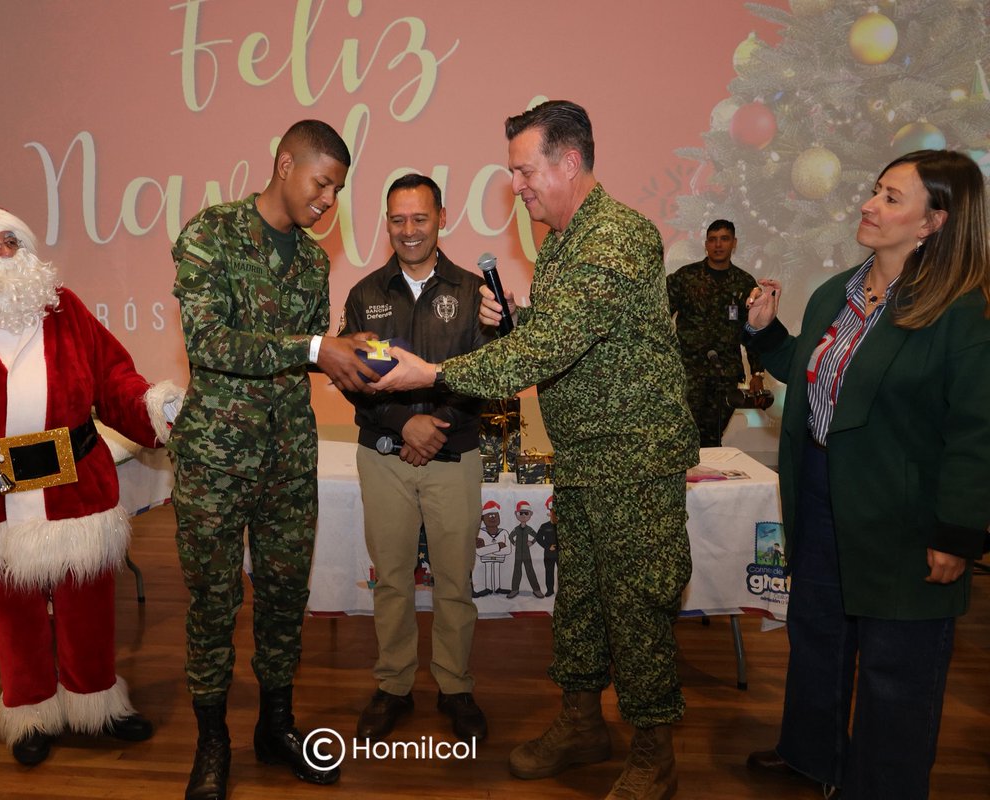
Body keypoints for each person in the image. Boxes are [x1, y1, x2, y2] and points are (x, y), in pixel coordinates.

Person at [374, 99, 697, 800]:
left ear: (569, 162)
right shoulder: (560, 245)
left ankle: (654, 755)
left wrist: (433, 373)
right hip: (583, 457)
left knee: (636, 608)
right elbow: (566, 339)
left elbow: (548, 351)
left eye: (524, 171)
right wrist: (517, 321)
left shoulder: (615, 238)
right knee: (578, 602)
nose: (515, 185)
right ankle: (582, 726)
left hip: (633, 460)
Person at [0, 200, 182, 766]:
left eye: (12, 241)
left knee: (87, 603)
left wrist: (151, 406)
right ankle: (29, 711)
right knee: (14, 612)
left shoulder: (62, 305)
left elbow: (112, 377)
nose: (5, 253)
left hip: (75, 483)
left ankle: (97, 702)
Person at [743, 149, 990, 799]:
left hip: (902, 512)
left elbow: (976, 430)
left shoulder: (961, 311)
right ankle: (811, 755)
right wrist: (766, 337)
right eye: (875, 190)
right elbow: (818, 375)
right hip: (822, 489)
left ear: (934, 222)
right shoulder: (839, 292)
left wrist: (958, 531)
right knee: (817, 634)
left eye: (890, 198)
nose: (868, 204)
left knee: (896, 665)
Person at [169, 119, 377, 800]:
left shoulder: (313, 262)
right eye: (322, 183)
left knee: (286, 598)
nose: (328, 201)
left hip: (288, 455)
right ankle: (212, 742)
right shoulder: (211, 233)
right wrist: (317, 348)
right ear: (285, 164)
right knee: (214, 602)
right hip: (216, 462)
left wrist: (351, 360)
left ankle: (275, 727)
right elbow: (211, 343)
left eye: (338, 190)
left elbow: (300, 356)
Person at [340, 173, 492, 744]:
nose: (409, 230)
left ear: (442, 218)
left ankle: (455, 686)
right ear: (387, 222)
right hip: (384, 456)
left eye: (420, 218)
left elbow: (487, 373)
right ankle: (394, 686)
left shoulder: (474, 293)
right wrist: (406, 423)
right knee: (392, 581)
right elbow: (352, 378)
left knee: (455, 581)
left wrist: (436, 426)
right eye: (398, 219)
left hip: (455, 454)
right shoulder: (364, 295)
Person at [666, 220, 764, 446]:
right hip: (688, 372)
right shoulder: (686, 277)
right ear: (706, 244)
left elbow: (752, 330)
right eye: (712, 240)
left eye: (724, 239)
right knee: (684, 436)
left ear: (734, 243)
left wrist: (757, 373)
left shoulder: (744, 282)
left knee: (712, 439)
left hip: (724, 374)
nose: (718, 245)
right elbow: (659, 318)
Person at [507, 500, 543, 599]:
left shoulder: (528, 529)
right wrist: (513, 542)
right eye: (521, 513)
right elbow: (510, 536)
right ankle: (514, 589)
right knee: (517, 571)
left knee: (530, 570)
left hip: (527, 553)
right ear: (516, 514)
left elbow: (537, 536)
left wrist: (532, 542)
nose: (523, 515)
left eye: (526, 513)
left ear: (530, 514)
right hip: (518, 553)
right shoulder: (516, 529)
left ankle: (536, 590)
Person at [534, 495, 558, 597]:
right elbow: (538, 538)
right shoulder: (544, 526)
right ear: (550, 513)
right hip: (549, 553)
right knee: (549, 572)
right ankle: (550, 590)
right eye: (552, 512)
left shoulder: (561, 525)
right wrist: (548, 547)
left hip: (560, 552)